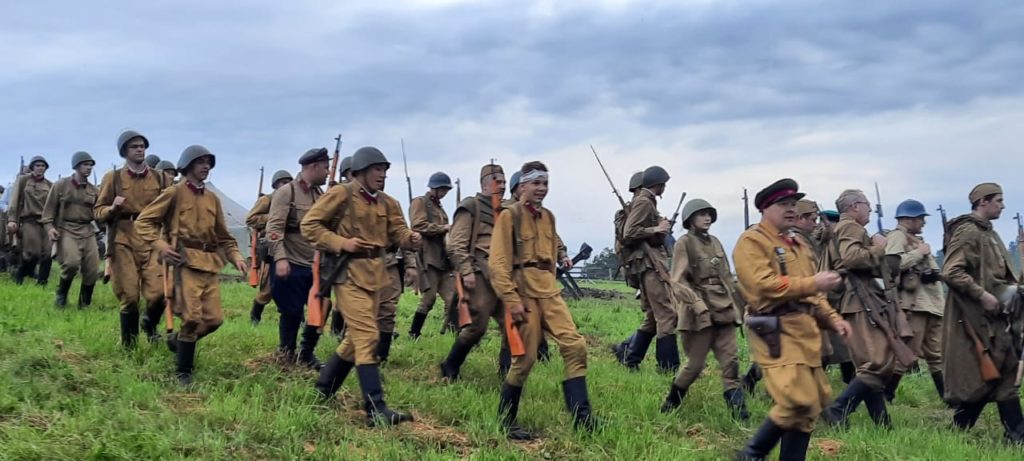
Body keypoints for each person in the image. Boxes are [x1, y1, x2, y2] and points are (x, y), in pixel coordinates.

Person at [733, 178, 851, 461]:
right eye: (782, 204)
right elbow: (764, 285)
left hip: (805, 332)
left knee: (809, 409)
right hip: (774, 329)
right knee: (795, 399)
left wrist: (832, 318)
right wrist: (812, 283)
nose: (790, 209)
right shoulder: (753, 241)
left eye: (792, 204)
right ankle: (751, 454)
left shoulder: (798, 243)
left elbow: (814, 295)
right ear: (765, 209)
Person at [305, 146, 421, 427]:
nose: (381, 175)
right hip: (347, 274)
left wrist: (410, 239)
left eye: (384, 170)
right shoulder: (340, 194)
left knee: (354, 338)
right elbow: (310, 225)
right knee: (368, 336)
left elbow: (397, 232)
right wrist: (341, 243)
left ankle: (323, 389)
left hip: (377, 275)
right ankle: (375, 408)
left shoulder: (389, 203)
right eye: (376, 169)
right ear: (359, 171)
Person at [490, 161, 596, 439]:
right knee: (524, 360)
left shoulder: (549, 217)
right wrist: (511, 300)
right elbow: (498, 264)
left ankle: (583, 421)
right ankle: (506, 420)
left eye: (545, 183)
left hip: (549, 292)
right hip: (523, 293)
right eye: (536, 183)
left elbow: (550, 258)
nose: (541, 189)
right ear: (522, 186)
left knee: (575, 345)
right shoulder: (508, 217)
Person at [135, 145, 245, 385]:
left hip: (210, 263)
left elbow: (224, 235)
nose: (206, 166)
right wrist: (160, 246)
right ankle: (184, 371)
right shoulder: (173, 193)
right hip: (183, 261)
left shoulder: (213, 199)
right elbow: (144, 222)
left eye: (208, 162)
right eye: (200, 162)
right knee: (192, 318)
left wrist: (236, 256)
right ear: (188, 165)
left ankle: (178, 342)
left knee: (214, 319)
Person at [941, 183, 1024, 443]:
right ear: (983, 202)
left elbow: (998, 275)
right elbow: (951, 271)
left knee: (1004, 369)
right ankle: (962, 429)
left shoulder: (990, 232)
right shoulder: (968, 232)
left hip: (996, 314)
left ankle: (1016, 435)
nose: (1002, 205)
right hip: (975, 315)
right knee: (987, 374)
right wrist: (983, 295)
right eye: (998, 200)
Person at [823, 189, 910, 428]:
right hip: (861, 300)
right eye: (867, 205)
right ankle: (839, 409)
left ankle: (883, 424)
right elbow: (852, 259)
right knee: (877, 362)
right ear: (854, 207)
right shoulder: (851, 227)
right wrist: (879, 247)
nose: (870, 210)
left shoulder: (843, 228)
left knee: (871, 364)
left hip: (859, 299)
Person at [660, 199, 748, 420]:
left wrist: (745, 304)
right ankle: (671, 403)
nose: (707, 218)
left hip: (724, 308)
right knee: (695, 366)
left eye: (709, 214)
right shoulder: (684, 243)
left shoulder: (716, 242)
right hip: (700, 313)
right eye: (701, 214)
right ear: (690, 219)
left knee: (731, 362)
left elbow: (728, 277)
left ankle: (740, 415)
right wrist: (696, 304)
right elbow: (677, 281)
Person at [95, 130, 171, 348]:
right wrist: (112, 208)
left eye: (142, 146)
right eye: (134, 146)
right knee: (129, 295)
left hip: (153, 238)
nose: (140, 149)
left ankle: (149, 323)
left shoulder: (160, 177)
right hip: (123, 238)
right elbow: (98, 211)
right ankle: (129, 345)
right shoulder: (113, 178)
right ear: (124, 152)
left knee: (159, 293)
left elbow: (173, 207)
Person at [438, 163, 510, 381]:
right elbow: (456, 244)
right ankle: (450, 366)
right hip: (479, 274)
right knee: (477, 327)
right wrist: (467, 271)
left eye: (505, 182)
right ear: (485, 184)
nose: (503, 186)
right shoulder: (471, 206)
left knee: (512, 324)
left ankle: (507, 375)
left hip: (503, 276)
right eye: (498, 181)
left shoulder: (506, 211)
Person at [266, 150, 329, 369]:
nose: (328, 172)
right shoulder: (286, 193)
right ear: (313, 167)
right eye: (325, 167)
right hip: (291, 261)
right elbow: (274, 230)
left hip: (315, 264)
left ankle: (307, 352)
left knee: (319, 309)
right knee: (292, 312)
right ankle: (287, 354)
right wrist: (280, 259)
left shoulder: (321, 196)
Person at [885, 199, 945, 402]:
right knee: (907, 353)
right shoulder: (897, 236)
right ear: (908, 219)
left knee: (936, 355)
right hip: (914, 304)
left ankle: (948, 397)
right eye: (920, 218)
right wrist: (919, 253)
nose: (923, 222)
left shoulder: (915, 238)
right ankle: (887, 394)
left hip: (930, 303)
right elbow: (893, 264)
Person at [621, 166, 678, 372]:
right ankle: (668, 367)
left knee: (654, 317)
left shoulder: (647, 202)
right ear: (659, 183)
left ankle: (630, 358)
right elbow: (629, 232)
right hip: (649, 265)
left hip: (650, 263)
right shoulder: (644, 201)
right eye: (664, 184)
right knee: (667, 314)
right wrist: (657, 228)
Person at [40, 151, 100, 308]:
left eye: (90, 165)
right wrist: (49, 228)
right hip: (66, 228)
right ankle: (61, 294)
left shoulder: (94, 191)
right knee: (71, 263)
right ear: (76, 166)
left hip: (87, 229)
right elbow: (48, 212)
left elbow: (99, 213)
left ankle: (84, 303)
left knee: (93, 269)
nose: (88, 168)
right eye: (85, 164)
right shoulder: (61, 185)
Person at [407, 172, 455, 339]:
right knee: (428, 299)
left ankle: (451, 334)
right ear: (434, 187)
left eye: (446, 189)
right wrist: (443, 228)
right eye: (442, 188)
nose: (444, 192)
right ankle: (414, 334)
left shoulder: (439, 207)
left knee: (453, 299)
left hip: (443, 259)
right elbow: (418, 225)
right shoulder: (420, 202)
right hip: (429, 258)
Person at [246, 169, 292, 326]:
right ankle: (254, 317)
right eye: (283, 183)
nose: (286, 186)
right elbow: (251, 219)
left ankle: (297, 320)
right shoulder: (267, 200)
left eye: (289, 183)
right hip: (271, 247)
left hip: (289, 248)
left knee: (291, 289)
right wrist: (273, 217)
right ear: (276, 185)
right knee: (267, 290)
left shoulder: (292, 201)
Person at [7, 155, 53, 285]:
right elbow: (14, 201)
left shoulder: (50, 185)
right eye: (37, 165)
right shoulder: (23, 180)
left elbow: (54, 205)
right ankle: (21, 273)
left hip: (46, 222)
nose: (40, 168)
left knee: (48, 253)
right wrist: (12, 219)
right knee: (33, 253)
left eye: (43, 166)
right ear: (32, 167)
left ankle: (42, 281)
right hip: (29, 220)